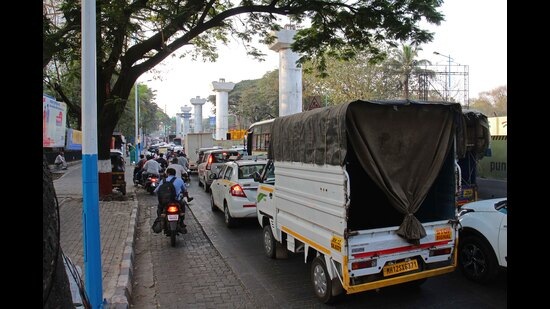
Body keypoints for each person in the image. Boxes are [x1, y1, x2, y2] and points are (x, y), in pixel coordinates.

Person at [154, 167, 188, 233]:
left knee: (159, 208)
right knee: (183, 203)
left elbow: (156, 190)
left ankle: (161, 219)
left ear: (168, 173)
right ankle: (181, 220)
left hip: (165, 202)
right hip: (177, 201)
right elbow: (184, 190)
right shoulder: (180, 180)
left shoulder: (163, 181)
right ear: (175, 174)